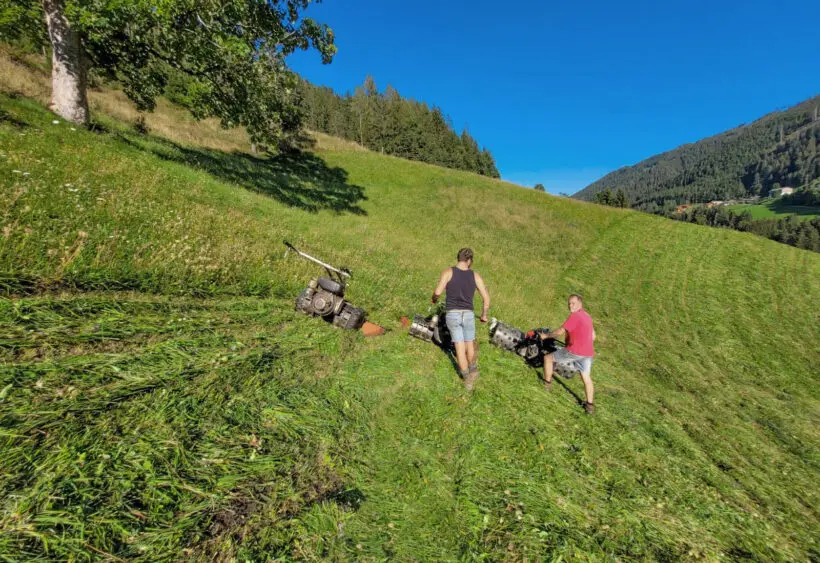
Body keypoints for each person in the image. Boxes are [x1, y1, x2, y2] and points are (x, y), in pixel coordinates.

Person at [432, 248, 490, 390]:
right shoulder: (475, 276)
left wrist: (434, 299)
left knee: (459, 346)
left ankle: (467, 379)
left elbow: (437, 292)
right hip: (468, 315)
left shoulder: (448, 272)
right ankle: (473, 369)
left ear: (458, 258)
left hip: (452, 314)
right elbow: (486, 299)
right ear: (469, 260)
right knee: (469, 344)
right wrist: (484, 315)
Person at [537, 294, 597, 414]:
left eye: (573, 303)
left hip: (575, 351)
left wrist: (546, 336)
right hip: (588, 353)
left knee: (548, 358)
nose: (570, 305)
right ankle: (589, 405)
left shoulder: (575, 316)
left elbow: (559, 332)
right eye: (569, 303)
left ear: (580, 303)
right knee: (586, 377)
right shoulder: (587, 316)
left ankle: (546, 385)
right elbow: (593, 336)